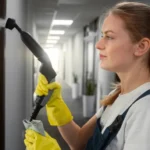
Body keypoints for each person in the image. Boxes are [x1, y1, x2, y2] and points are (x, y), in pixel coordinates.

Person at [24, 1, 150, 150]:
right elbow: (79, 142)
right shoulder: (118, 94)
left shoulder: (145, 109)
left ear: (141, 46)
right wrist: (55, 104)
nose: (98, 44)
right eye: (102, 35)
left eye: (109, 37)